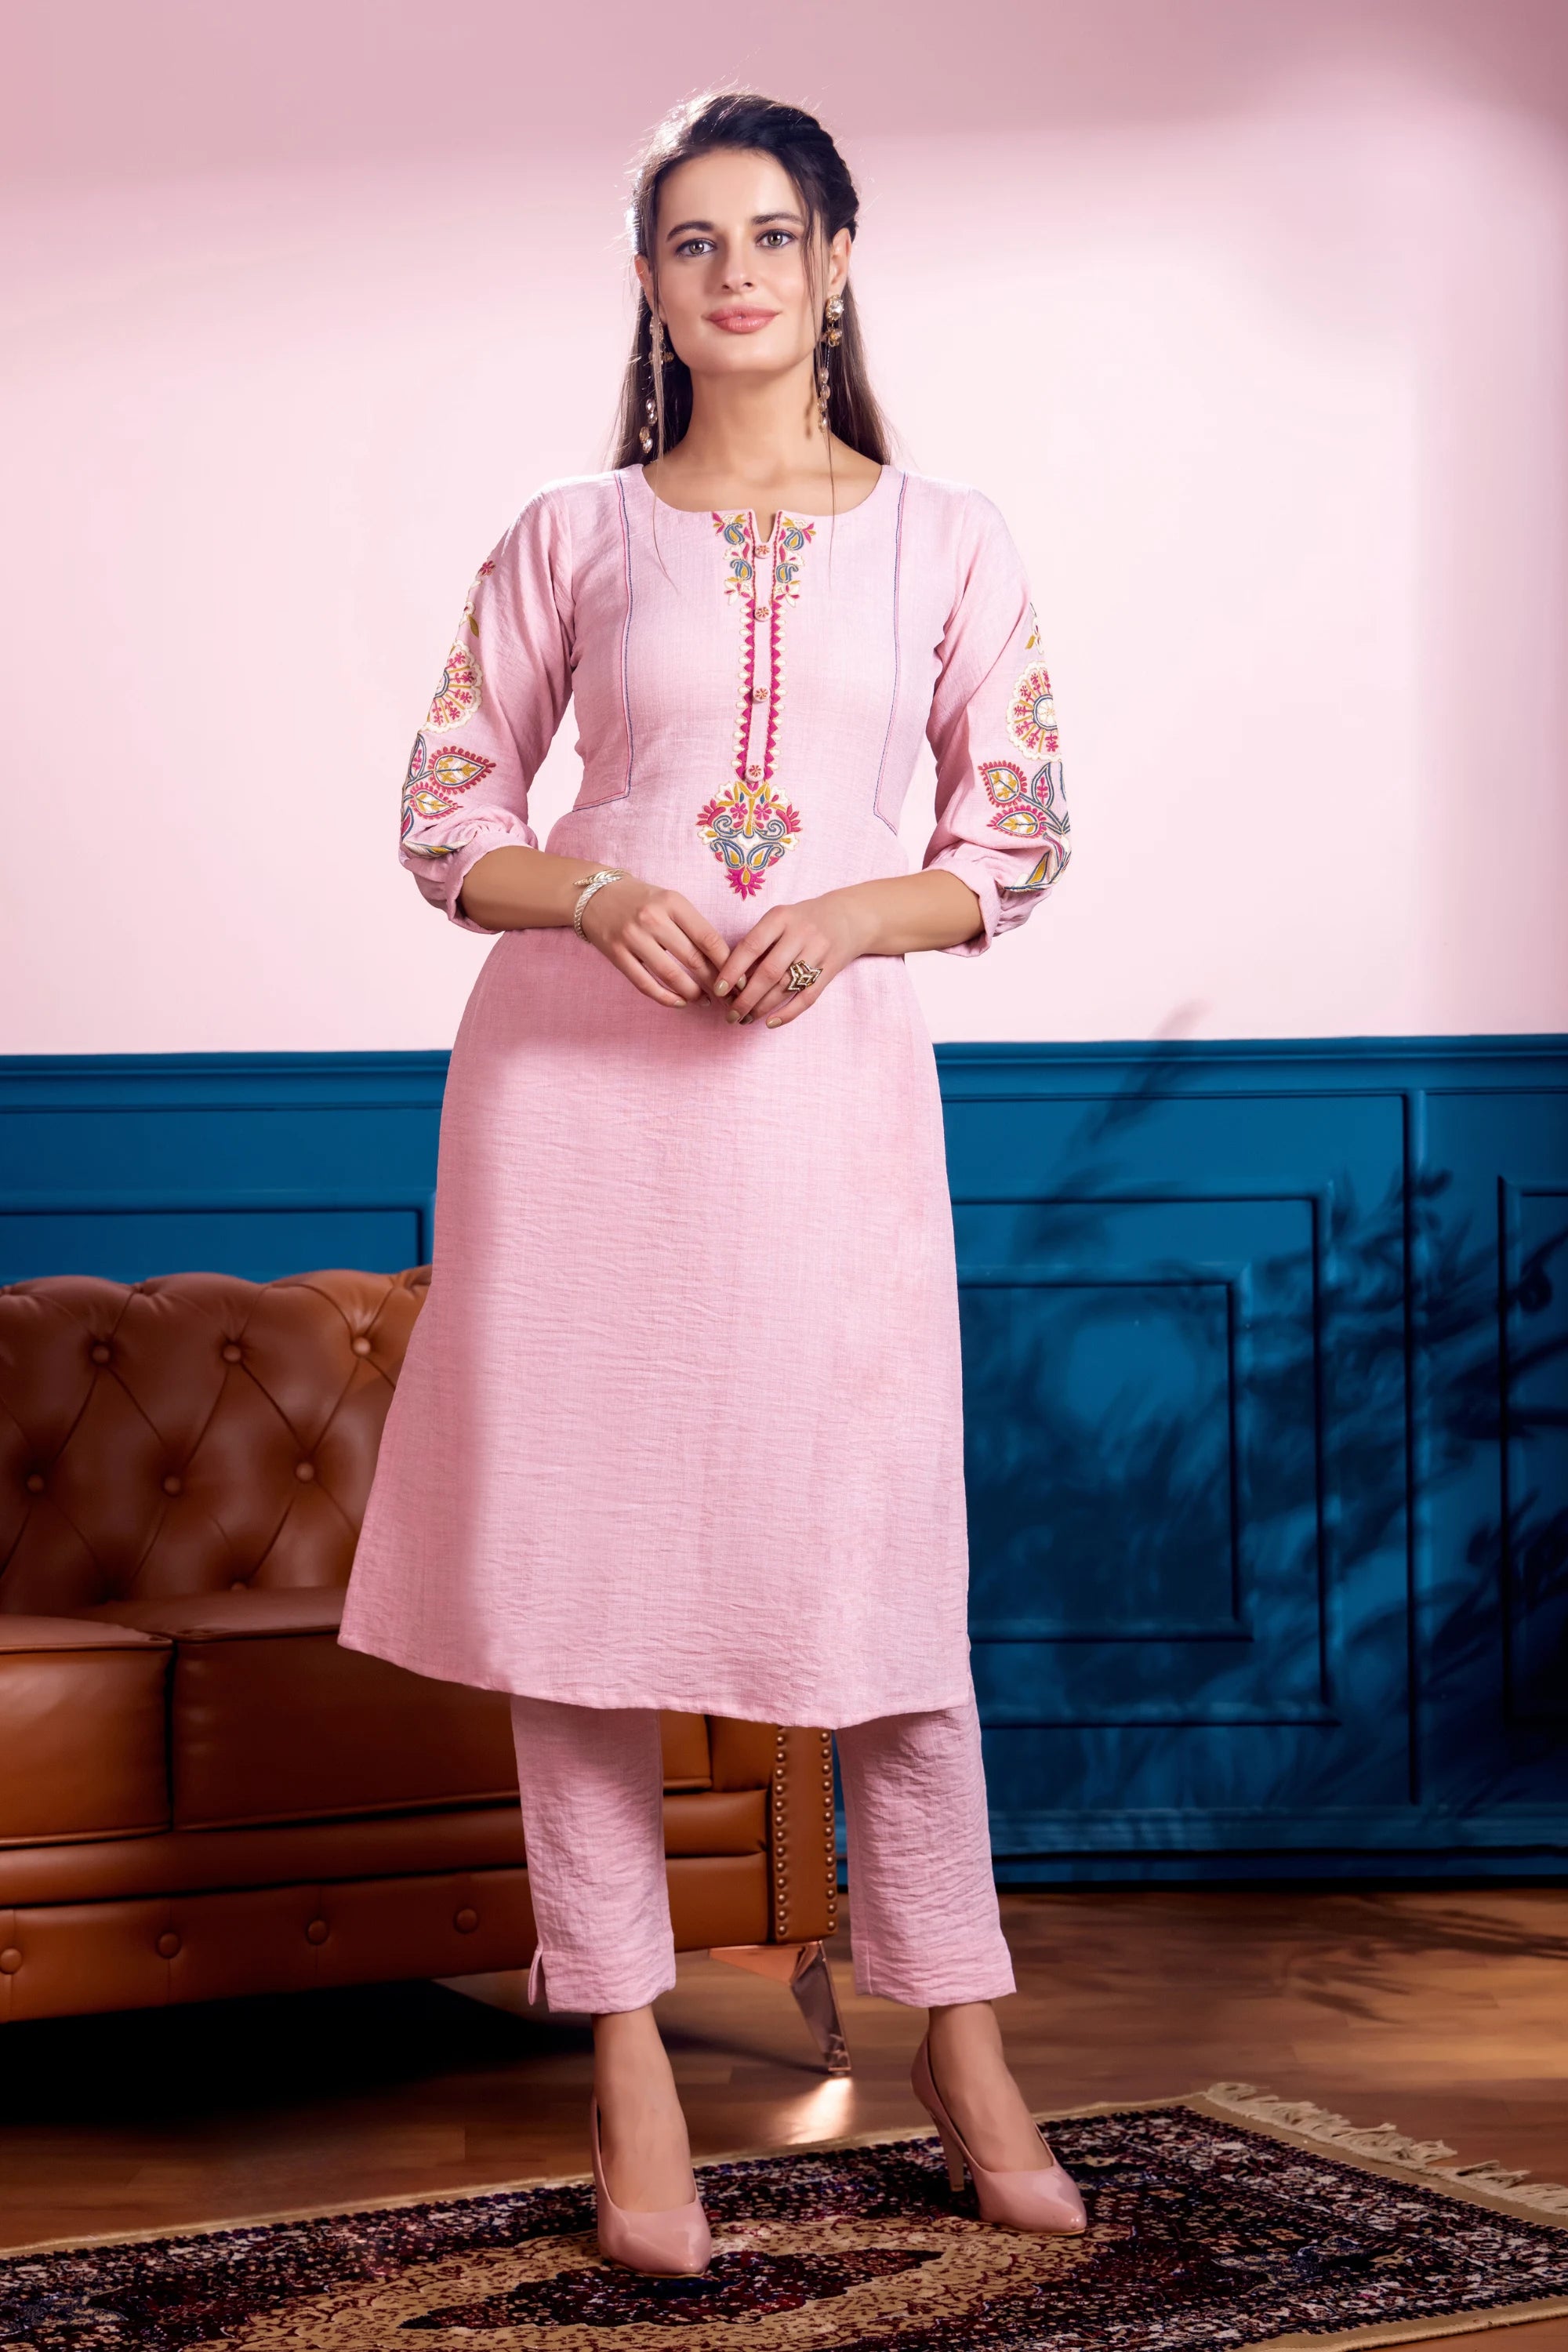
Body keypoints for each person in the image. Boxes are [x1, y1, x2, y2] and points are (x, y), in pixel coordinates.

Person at [339, 89, 1077, 2277]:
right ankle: (627, 2050)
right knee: (578, 1583)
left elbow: (1018, 835)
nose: (735, 273)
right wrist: (592, 897)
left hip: (821, 1103)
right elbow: (445, 812)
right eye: (692, 243)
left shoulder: (948, 538)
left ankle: (963, 2037)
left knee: (882, 1572)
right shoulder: (570, 535)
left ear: (838, 262)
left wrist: (845, 919)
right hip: (576, 1108)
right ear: (652, 287)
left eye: (772, 235)